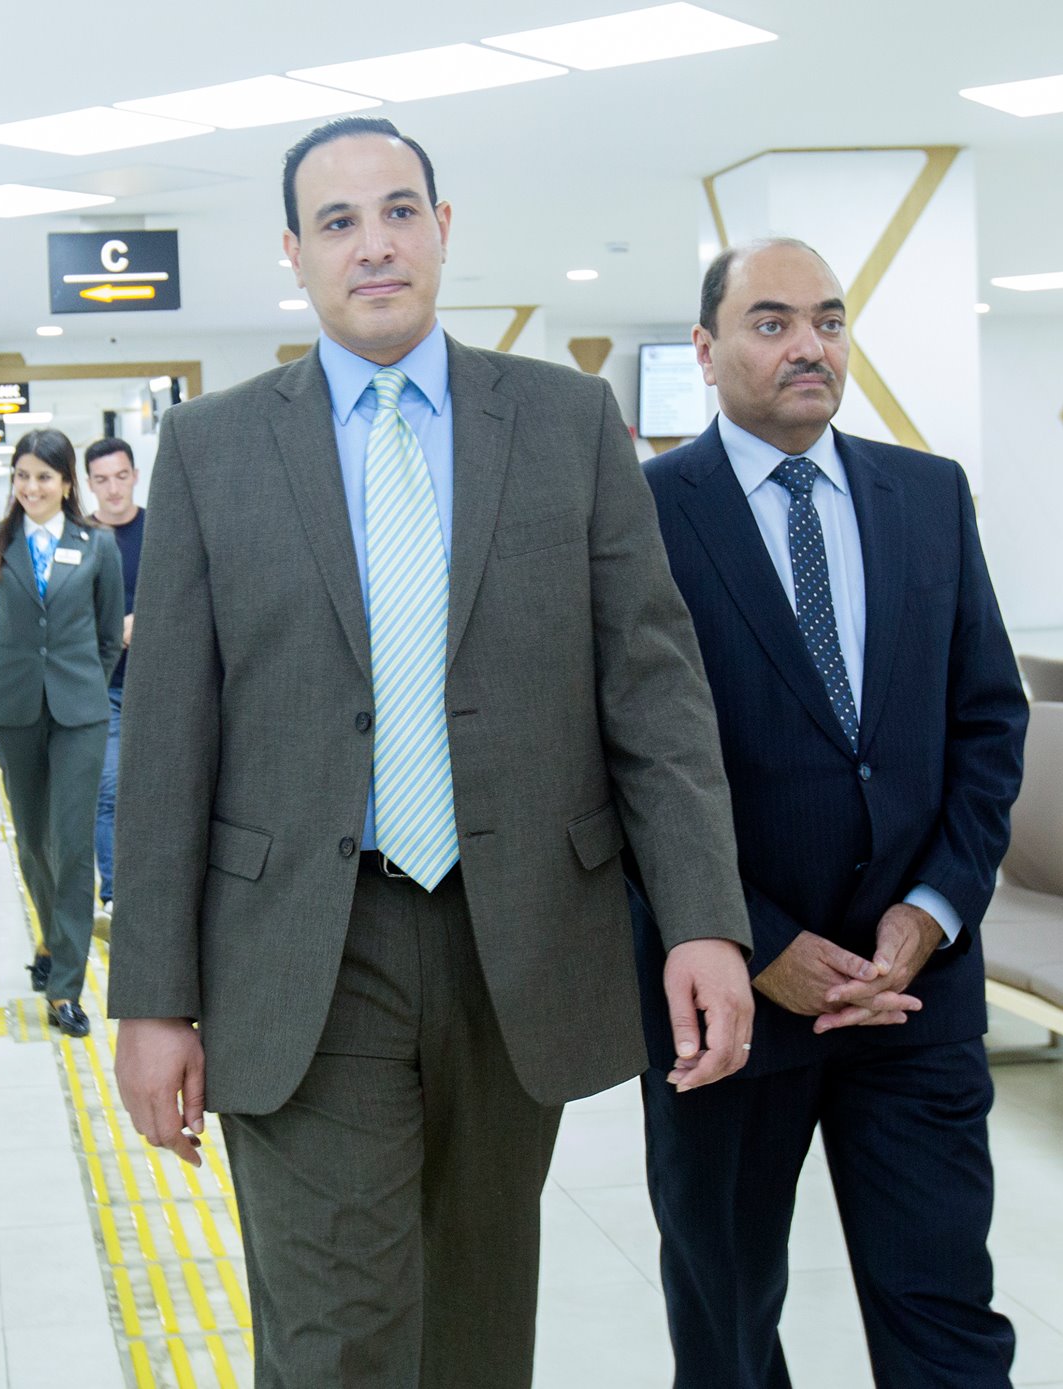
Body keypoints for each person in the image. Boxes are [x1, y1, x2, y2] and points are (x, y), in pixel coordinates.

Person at [108, 116, 756, 1389]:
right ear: (293, 252)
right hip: (303, 948)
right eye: (337, 222)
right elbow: (170, 737)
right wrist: (151, 997)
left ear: (443, 230)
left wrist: (702, 921)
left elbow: (652, 695)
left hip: (516, 941)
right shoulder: (214, 450)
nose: (373, 244)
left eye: (399, 211)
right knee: (337, 1336)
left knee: (474, 1322)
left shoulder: (566, 423)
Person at [637, 237, 1027, 1387]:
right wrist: (751, 939)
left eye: (827, 319)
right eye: (769, 322)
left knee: (944, 1315)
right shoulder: (640, 515)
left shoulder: (927, 496)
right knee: (725, 1324)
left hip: (911, 996)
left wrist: (932, 908)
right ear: (704, 350)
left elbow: (986, 724)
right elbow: (610, 769)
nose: (807, 345)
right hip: (726, 1002)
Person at [0, 428, 124, 1038]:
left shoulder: (97, 546)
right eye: (22, 475)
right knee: (34, 842)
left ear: (65, 483)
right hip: (15, 712)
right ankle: (51, 937)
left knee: (73, 844)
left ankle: (65, 987)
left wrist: (80, 685)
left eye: (43, 476)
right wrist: (24, 678)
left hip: (79, 714)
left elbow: (108, 636)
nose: (31, 487)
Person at [83, 436, 145, 915]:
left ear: (135, 476)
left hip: (164, 686)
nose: (114, 489)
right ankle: (116, 896)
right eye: (102, 480)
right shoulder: (81, 538)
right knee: (110, 790)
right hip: (105, 686)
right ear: (89, 484)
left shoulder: (164, 529)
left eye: (121, 476)